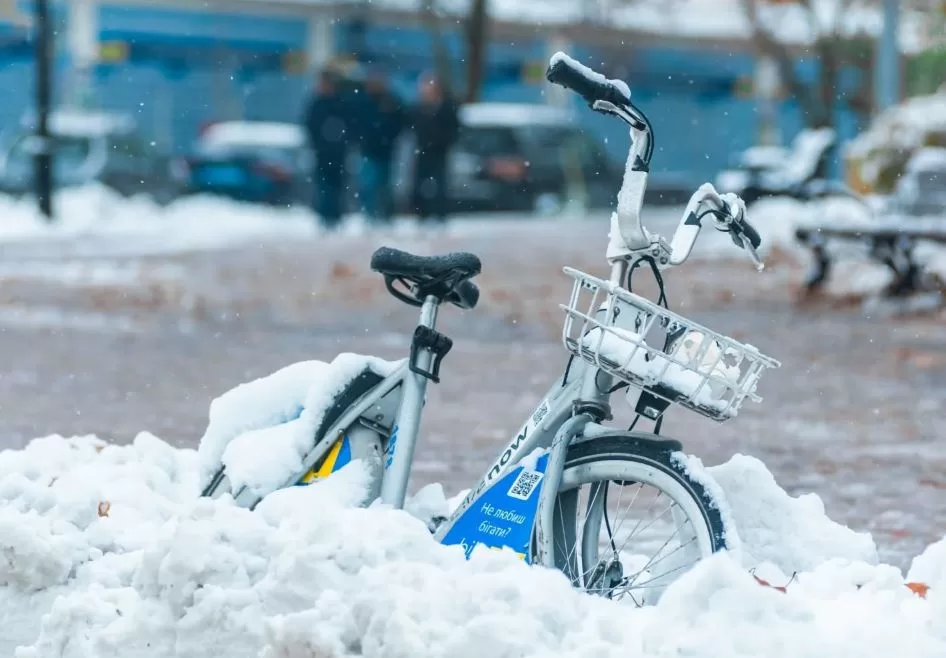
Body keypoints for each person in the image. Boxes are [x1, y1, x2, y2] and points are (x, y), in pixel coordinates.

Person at [302, 68, 350, 229]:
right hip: (323, 154)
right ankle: (325, 217)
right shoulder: (317, 104)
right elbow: (310, 127)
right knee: (324, 188)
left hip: (338, 155)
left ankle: (335, 217)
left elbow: (351, 126)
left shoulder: (340, 103)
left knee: (336, 187)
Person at [355, 72, 405, 224]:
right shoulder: (364, 102)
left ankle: (383, 215)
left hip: (385, 151)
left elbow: (399, 122)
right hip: (370, 150)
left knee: (383, 185)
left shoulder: (390, 102)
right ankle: (371, 214)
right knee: (369, 185)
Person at [410, 73, 459, 224]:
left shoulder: (446, 107)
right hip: (423, 151)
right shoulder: (419, 108)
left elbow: (453, 129)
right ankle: (422, 214)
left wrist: (443, 141)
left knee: (440, 184)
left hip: (439, 151)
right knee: (420, 184)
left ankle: (440, 214)